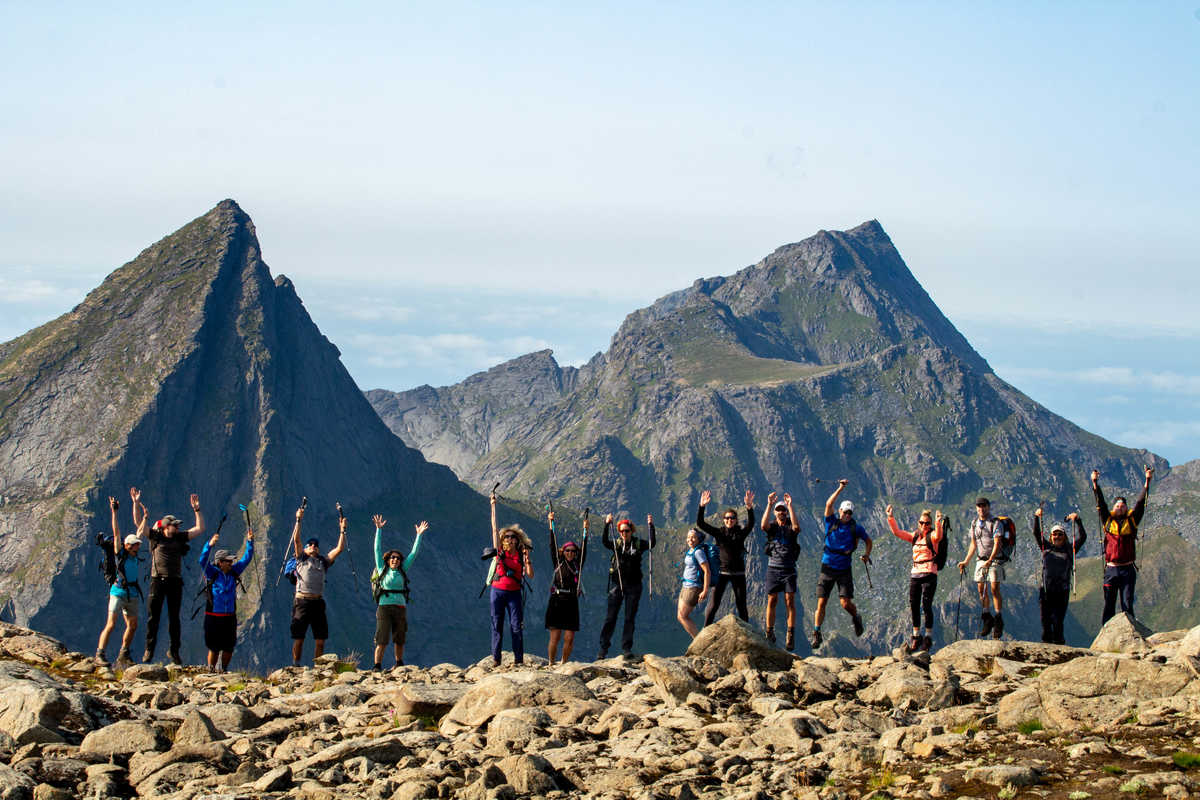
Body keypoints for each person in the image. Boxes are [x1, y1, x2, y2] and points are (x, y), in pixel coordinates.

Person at [143, 490, 205, 665]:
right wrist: (136, 506)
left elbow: (200, 529)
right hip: (157, 580)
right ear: (165, 526)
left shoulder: (179, 537)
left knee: (174, 618)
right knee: (153, 617)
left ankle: (174, 651)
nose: (177, 527)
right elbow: (140, 527)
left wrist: (197, 510)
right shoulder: (155, 537)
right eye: (174, 525)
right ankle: (149, 650)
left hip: (175, 581)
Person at [811, 479, 872, 649]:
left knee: (845, 603)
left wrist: (866, 555)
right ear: (840, 511)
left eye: (849, 513)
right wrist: (840, 488)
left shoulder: (856, 528)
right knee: (821, 602)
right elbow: (828, 503)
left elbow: (868, 541)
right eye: (845, 512)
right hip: (828, 566)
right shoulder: (831, 522)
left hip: (844, 568)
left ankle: (855, 617)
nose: (847, 515)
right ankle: (816, 633)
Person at [1093, 466, 1153, 624]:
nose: (1120, 507)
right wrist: (1095, 483)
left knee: (1127, 604)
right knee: (1109, 605)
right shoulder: (1107, 520)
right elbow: (1101, 502)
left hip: (1127, 569)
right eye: (1117, 506)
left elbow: (1141, 503)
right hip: (1111, 569)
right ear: (1114, 508)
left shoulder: (1132, 520)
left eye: (1123, 505)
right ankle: (1106, 636)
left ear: (1126, 508)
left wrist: (1147, 481)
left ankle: (1131, 634)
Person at [290, 502, 347, 666]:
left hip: (317, 602)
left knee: (320, 638)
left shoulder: (324, 561)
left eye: (316, 545)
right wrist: (298, 520)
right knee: (299, 637)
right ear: (306, 549)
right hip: (302, 600)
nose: (313, 546)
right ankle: (296, 664)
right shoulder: (301, 558)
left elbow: (339, 548)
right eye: (310, 545)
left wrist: (342, 530)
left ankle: (318, 666)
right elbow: (296, 539)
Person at [95, 494, 147, 666]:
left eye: (138, 544)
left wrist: (142, 514)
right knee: (111, 624)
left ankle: (123, 653)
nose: (137, 546)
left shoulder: (134, 554)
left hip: (132, 594)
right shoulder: (121, 554)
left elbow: (140, 530)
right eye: (134, 544)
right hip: (118, 592)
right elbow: (116, 533)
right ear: (126, 545)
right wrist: (114, 512)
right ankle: (100, 653)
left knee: (133, 625)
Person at [371, 514, 427, 671]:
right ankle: (377, 665)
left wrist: (419, 535)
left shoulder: (403, 570)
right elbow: (377, 549)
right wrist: (378, 530)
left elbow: (413, 553)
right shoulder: (382, 569)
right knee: (382, 638)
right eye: (392, 558)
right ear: (388, 560)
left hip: (400, 607)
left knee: (399, 638)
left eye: (397, 558)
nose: (395, 560)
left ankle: (399, 663)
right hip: (384, 607)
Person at [197, 522, 254, 672]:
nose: (231, 562)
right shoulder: (212, 573)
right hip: (213, 615)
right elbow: (202, 560)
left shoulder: (234, 571)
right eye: (228, 561)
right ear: (220, 562)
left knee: (229, 646)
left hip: (229, 615)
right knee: (214, 647)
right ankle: (211, 670)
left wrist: (250, 542)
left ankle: (223, 669)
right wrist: (209, 545)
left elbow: (246, 559)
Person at [887, 505, 945, 651]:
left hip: (929, 573)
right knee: (913, 605)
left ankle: (928, 637)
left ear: (930, 525)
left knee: (926, 605)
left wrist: (938, 522)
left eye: (927, 523)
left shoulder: (932, 536)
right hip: (915, 573)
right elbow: (897, 532)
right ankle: (916, 636)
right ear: (918, 523)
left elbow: (939, 536)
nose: (924, 525)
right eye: (921, 523)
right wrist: (890, 517)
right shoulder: (914, 536)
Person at [599, 513, 656, 659]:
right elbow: (605, 542)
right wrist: (607, 524)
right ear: (619, 532)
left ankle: (626, 648)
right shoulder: (617, 544)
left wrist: (651, 526)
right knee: (610, 617)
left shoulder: (638, 544)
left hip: (634, 585)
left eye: (627, 531)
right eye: (621, 531)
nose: (624, 533)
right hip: (617, 584)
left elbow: (652, 543)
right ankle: (603, 649)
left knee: (629, 617)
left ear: (632, 531)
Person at [488, 489, 534, 666]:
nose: (509, 539)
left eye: (513, 537)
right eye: (507, 537)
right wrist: (493, 506)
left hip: (514, 593)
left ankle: (518, 660)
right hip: (497, 591)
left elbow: (530, 575)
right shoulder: (498, 552)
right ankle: (496, 659)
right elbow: (494, 528)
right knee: (496, 625)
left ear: (518, 539)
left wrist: (528, 561)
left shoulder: (522, 555)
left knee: (516, 626)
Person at [697, 490, 755, 626]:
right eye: (727, 518)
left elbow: (751, 524)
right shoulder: (719, 533)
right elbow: (700, 523)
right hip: (722, 573)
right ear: (724, 520)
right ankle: (706, 629)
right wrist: (702, 506)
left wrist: (749, 508)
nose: (729, 520)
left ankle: (747, 633)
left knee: (741, 605)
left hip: (738, 573)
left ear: (736, 520)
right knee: (714, 604)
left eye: (732, 518)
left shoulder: (740, 533)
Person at [1033, 508, 1086, 644]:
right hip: (1046, 591)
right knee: (1045, 622)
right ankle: (1047, 648)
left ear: (1065, 536)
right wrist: (1036, 517)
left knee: (1057, 622)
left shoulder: (1069, 549)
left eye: (1060, 535)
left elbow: (1083, 537)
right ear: (1051, 536)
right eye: (1054, 534)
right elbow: (1036, 534)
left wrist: (1078, 520)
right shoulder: (1046, 547)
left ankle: (1059, 647)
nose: (1057, 537)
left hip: (1061, 592)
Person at [957, 497, 1006, 639]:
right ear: (976, 508)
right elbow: (974, 544)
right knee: (981, 589)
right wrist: (966, 561)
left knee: (994, 588)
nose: (981, 509)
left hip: (994, 560)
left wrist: (991, 560)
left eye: (984, 506)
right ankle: (986, 616)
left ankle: (998, 619)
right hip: (980, 560)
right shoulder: (974, 524)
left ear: (988, 507)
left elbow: (997, 543)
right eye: (979, 506)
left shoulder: (995, 523)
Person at [545, 509, 587, 666]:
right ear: (563, 552)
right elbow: (552, 543)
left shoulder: (578, 563)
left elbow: (585, 549)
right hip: (556, 600)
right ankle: (550, 663)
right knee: (554, 637)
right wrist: (551, 523)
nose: (570, 553)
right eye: (567, 551)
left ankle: (563, 663)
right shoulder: (558, 561)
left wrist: (585, 530)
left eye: (573, 551)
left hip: (571, 601)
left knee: (569, 637)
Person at [761, 491, 801, 650]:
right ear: (775, 512)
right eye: (779, 510)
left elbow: (797, 528)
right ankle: (769, 631)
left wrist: (790, 506)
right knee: (772, 600)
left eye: (782, 510)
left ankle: (790, 634)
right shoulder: (773, 527)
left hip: (789, 569)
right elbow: (763, 526)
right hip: (774, 568)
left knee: (789, 600)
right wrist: (769, 504)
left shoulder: (791, 526)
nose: (781, 512)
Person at [676, 528, 711, 638]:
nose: (690, 539)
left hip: (693, 588)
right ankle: (697, 639)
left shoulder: (698, 552)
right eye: (688, 537)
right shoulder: (692, 550)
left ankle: (698, 641)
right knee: (680, 615)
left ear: (698, 539)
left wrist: (705, 590)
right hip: (686, 586)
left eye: (693, 537)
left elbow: (707, 571)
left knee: (683, 616)